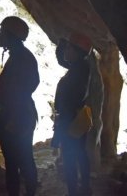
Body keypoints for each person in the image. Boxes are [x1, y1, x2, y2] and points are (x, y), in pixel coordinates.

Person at [0, 16, 39, 196]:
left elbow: (27, 85)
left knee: (19, 160)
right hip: (17, 114)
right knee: (17, 159)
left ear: (10, 35)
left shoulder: (21, 58)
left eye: (2, 32)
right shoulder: (18, 56)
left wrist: (14, 116)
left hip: (18, 115)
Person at [52, 32, 92, 196]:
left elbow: (68, 104)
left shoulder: (78, 70)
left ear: (77, 51)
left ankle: (74, 191)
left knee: (70, 159)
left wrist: (58, 133)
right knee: (80, 154)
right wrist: (62, 44)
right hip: (78, 117)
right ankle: (84, 188)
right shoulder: (81, 66)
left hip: (71, 120)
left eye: (69, 47)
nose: (66, 51)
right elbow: (63, 60)